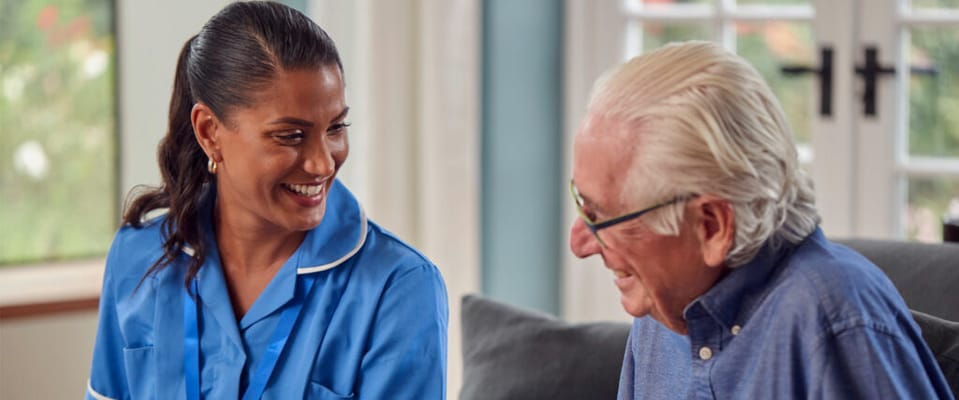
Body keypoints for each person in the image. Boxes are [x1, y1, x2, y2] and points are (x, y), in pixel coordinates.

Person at [86, 2, 448, 399]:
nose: (323, 162)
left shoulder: (399, 289)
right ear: (209, 132)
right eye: (291, 135)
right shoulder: (138, 256)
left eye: (336, 127)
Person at [568, 41, 952, 399]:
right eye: (582, 203)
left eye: (603, 216)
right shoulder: (663, 311)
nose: (579, 242)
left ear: (712, 227)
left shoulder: (835, 322)